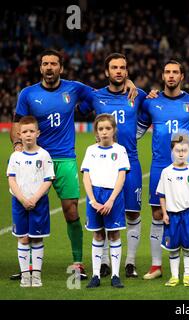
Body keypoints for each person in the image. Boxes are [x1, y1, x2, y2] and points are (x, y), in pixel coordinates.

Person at [9, 49, 137, 280]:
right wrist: (18, 144)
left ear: (61, 67)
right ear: (40, 68)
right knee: (30, 209)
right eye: (45, 63)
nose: (49, 67)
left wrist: (127, 81)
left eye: (54, 64)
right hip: (37, 161)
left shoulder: (74, 88)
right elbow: (17, 125)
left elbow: (104, 92)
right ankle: (27, 267)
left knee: (70, 211)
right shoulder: (27, 94)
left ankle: (78, 263)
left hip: (65, 159)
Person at [137, 60, 189, 281]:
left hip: (185, 168)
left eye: (175, 72)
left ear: (182, 76)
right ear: (162, 76)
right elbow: (137, 133)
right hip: (159, 166)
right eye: (167, 72)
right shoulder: (151, 103)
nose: (171, 76)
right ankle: (156, 265)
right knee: (158, 215)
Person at [78, 53, 147, 278]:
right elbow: (79, 108)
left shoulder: (138, 95)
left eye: (122, 68)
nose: (119, 71)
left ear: (127, 72)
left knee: (133, 215)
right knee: (103, 211)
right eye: (114, 68)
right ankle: (105, 262)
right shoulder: (96, 96)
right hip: (102, 167)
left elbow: (155, 106)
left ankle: (130, 262)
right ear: (107, 72)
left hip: (131, 162)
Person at [81, 114, 130, 289]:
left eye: (108, 128)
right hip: (95, 197)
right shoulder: (91, 150)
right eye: (101, 129)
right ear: (96, 131)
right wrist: (93, 200)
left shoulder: (120, 150)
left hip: (113, 198)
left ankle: (115, 275)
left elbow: (121, 176)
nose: (104, 132)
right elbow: (86, 176)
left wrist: (110, 200)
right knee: (98, 234)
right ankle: (96, 275)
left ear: (114, 130)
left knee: (114, 234)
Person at [7, 116, 55, 287]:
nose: (28, 135)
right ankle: (25, 276)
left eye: (31, 131)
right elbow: (11, 179)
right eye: (25, 132)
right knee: (23, 238)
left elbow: (48, 179)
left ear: (38, 133)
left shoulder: (44, 155)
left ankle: (36, 275)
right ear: (19, 135)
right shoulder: (15, 157)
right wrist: (22, 198)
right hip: (19, 203)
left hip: (38, 203)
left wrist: (34, 198)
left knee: (36, 239)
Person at [156, 134, 189, 287]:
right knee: (173, 248)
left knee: (188, 247)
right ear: (172, 151)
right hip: (172, 216)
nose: (181, 153)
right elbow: (162, 196)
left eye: (184, 150)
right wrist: (164, 213)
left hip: (188, 215)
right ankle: (174, 276)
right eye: (178, 150)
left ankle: (187, 275)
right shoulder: (166, 172)